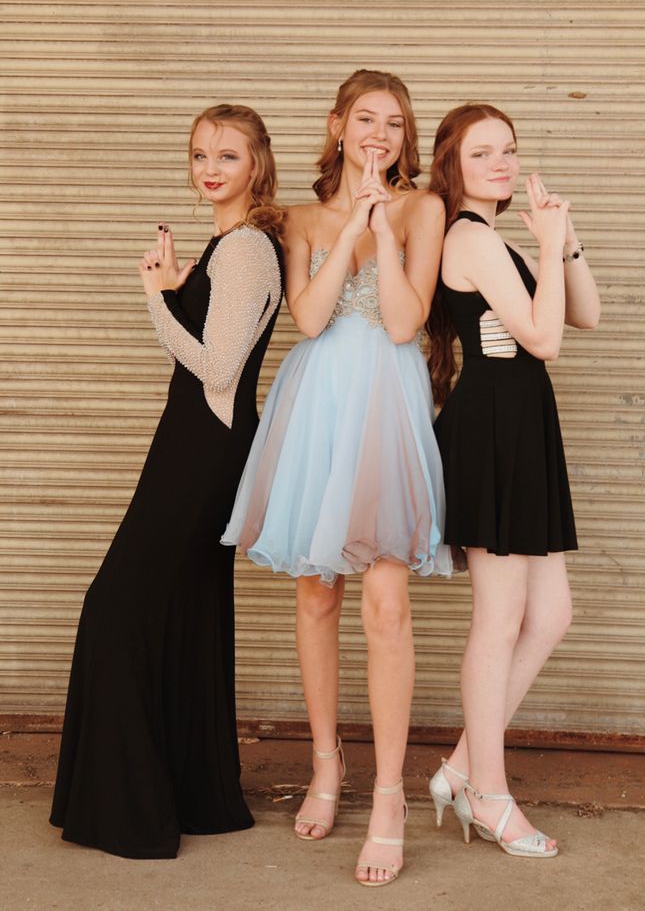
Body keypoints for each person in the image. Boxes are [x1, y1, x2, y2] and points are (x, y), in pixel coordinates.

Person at [223, 69, 452, 886]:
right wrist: (346, 221)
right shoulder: (301, 218)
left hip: (385, 411)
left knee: (386, 604)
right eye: (366, 119)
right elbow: (311, 317)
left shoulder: (424, 209)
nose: (380, 135)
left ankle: (388, 794)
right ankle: (327, 762)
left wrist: (383, 231)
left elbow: (400, 320)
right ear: (337, 125)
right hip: (315, 408)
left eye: (394, 123)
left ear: (405, 137)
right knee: (317, 590)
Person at [50, 104, 285, 859]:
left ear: (258, 164)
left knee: (115, 607)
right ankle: (191, 796)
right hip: (195, 441)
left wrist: (155, 295)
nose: (209, 168)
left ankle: (132, 807)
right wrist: (185, 285)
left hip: (203, 448)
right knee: (183, 612)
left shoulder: (247, 247)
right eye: (197, 155)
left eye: (227, 155)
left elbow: (216, 369)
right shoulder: (229, 245)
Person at [426, 102, 600, 858]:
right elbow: (545, 338)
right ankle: (489, 794)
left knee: (551, 614)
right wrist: (548, 245)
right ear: (453, 165)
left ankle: (463, 764)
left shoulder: (500, 239)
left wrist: (564, 244)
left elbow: (586, 310)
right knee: (498, 620)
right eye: (482, 152)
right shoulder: (468, 236)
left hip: (524, 426)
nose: (500, 163)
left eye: (509, 150)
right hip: (493, 430)